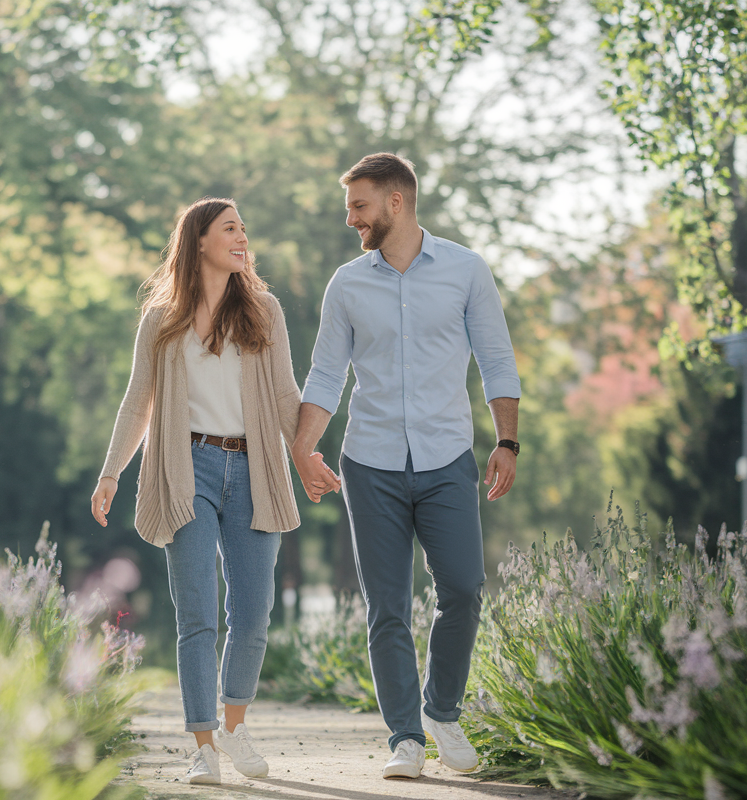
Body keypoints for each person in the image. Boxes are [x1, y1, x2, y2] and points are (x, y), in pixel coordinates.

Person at [91, 197, 337, 785]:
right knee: (197, 613)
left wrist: (304, 453)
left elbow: (284, 395)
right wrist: (110, 472)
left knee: (252, 615)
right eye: (231, 228)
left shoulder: (264, 311)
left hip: (254, 469)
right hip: (185, 468)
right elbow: (138, 401)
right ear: (199, 239)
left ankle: (234, 725)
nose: (242, 237)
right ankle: (202, 745)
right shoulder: (161, 317)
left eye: (244, 229)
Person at [293, 153, 521, 778]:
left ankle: (441, 712)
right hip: (370, 462)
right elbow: (325, 374)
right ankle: (404, 739)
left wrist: (508, 441)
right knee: (386, 605)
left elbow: (496, 359)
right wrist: (301, 448)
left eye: (359, 206)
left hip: (448, 457)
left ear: (396, 202)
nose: (350, 218)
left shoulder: (466, 270)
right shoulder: (347, 283)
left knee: (464, 591)